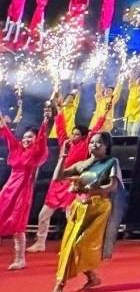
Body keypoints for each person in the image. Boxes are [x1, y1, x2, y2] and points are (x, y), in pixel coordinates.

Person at [50, 131, 122, 292]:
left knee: (81, 245)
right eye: (92, 142)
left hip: (98, 208)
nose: (94, 145)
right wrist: (63, 156)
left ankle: (69, 280)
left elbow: (113, 187)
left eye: (99, 143)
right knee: (70, 245)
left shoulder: (111, 162)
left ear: (106, 147)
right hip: (79, 208)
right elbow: (57, 177)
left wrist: (93, 189)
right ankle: (88, 277)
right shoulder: (81, 165)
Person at [30, 101, 108, 253]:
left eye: (77, 134)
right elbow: (60, 128)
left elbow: (96, 130)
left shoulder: (86, 144)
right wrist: (59, 110)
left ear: (84, 136)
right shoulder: (66, 143)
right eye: (73, 133)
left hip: (72, 184)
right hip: (58, 183)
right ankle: (40, 242)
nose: (73, 136)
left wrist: (103, 115)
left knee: (70, 217)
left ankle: (71, 244)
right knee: (43, 215)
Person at [0, 103, 51, 269]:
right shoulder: (16, 148)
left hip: (23, 190)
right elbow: (6, 131)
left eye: (31, 137)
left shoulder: (36, 152)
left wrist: (45, 120)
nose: (27, 139)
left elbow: (43, 139)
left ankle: (20, 259)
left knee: (18, 225)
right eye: (25, 137)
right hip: (9, 189)